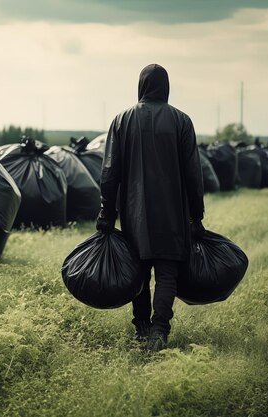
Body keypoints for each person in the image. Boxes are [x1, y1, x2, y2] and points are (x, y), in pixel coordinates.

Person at [96, 64, 205, 351]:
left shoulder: (122, 120)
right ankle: (159, 331)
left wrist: (107, 212)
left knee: (139, 272)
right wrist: (197, 216)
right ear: (166, 87)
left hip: (135, 214)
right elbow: (194, 174)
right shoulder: (182, 121)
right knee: (167, 272)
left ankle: (141, 329)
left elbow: (110, 172)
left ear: (141, 86)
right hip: (172, 214)